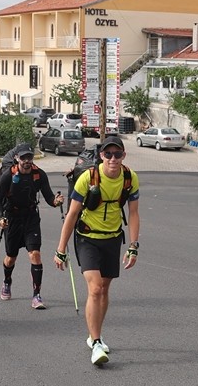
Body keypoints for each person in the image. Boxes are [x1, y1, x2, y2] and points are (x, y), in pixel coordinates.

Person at [53, 135, 141, 367]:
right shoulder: (87, 178)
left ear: (123, 155)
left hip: (112, 238)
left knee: (104, 289)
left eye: (117, 154)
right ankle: (97, 341)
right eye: (108, 154)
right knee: (95, 288)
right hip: (87, 238)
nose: (113, 158)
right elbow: (72, 214)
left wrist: (133, 246)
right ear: (101, 155)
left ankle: (95, 335)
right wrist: (60, 249)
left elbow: (133, 213)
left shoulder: (130, 179)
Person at [0, 142, 64, 310]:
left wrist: (56, 202)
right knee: (11, 257)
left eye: (30, 157)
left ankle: (36, 295)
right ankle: (6, 281)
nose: (27, 161)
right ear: (17, 158)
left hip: (31, 217)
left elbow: (48, 196)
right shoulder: (8, 175)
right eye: (24, 157)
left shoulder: (39, 174)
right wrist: (0, 218)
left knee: (35, 254)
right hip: (12, 217)